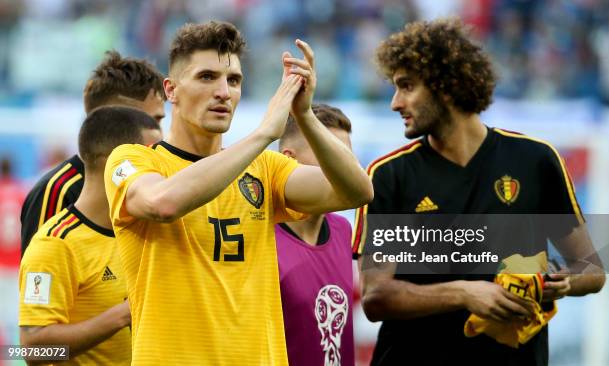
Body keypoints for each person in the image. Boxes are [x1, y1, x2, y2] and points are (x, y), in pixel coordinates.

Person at [103, 21, 373, 365]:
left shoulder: (265, 169)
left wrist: (304, 114)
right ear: (171, 90)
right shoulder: (133, 159)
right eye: (206, 77)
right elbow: (162, 203)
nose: (223, 91)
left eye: (233, 80)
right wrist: (262, 134)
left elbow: (356, 191)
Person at [352, 18, 605, 365]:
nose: (395, 103)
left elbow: (591, 271)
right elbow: (376, 297)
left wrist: (559, 283)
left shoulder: (536, 160)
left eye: (407, 86)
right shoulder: (388, 175)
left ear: (446, 84)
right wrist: (464, 293)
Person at [19, 107, 162, 365]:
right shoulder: (55, 244)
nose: (161, 165)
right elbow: (31, 350)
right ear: (115, 164)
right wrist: (124, 314)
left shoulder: (144, 232)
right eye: (150, 154)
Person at [20, 50, 166, 256]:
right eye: (153, 121)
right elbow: (41, 272)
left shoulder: (144, 183)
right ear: (112, 118)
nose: (160, 133)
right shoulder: (58, 190)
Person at [276, 103, 355, 366]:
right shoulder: (260, 236)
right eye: (331, 156)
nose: (345, 170)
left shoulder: (343, 230)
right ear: (289, 159)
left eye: (348, 158)